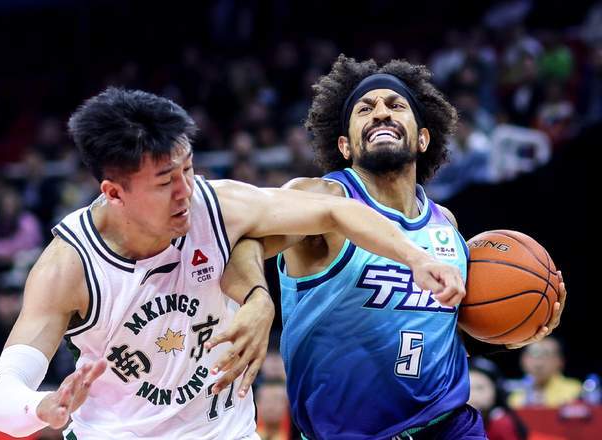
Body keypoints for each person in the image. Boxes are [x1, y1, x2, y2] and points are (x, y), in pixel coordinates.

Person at [0, 87, 464, 439]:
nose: (185, 191)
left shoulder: (217, 205)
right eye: (165, 181)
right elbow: (0, 397)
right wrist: (42, 406)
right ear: (114, 192)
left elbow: (336, 210)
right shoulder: (69, 265)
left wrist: (414, 257)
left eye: (188, 168)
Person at [227, 55, 567, 439]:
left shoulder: (445, 224)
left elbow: (439, 336)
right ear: (345, 145)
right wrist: (257, 299)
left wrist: (513, 331)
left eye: (395, 105)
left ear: (423, 138)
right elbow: (242, 241)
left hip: (449, 425)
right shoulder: (322, 197)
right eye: (365, 109)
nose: (381, 113)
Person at [508, 337, 581, 408]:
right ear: (523, 360)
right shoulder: (515, 395)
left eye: (546, 354)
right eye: (533, 354)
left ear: (560, 361)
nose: (539, 363)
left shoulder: (574, 390)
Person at [468, 357, 527, 440]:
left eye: (479, 388)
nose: (473, 394)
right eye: (468, 389)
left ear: (496, 391)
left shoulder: (502, 423)